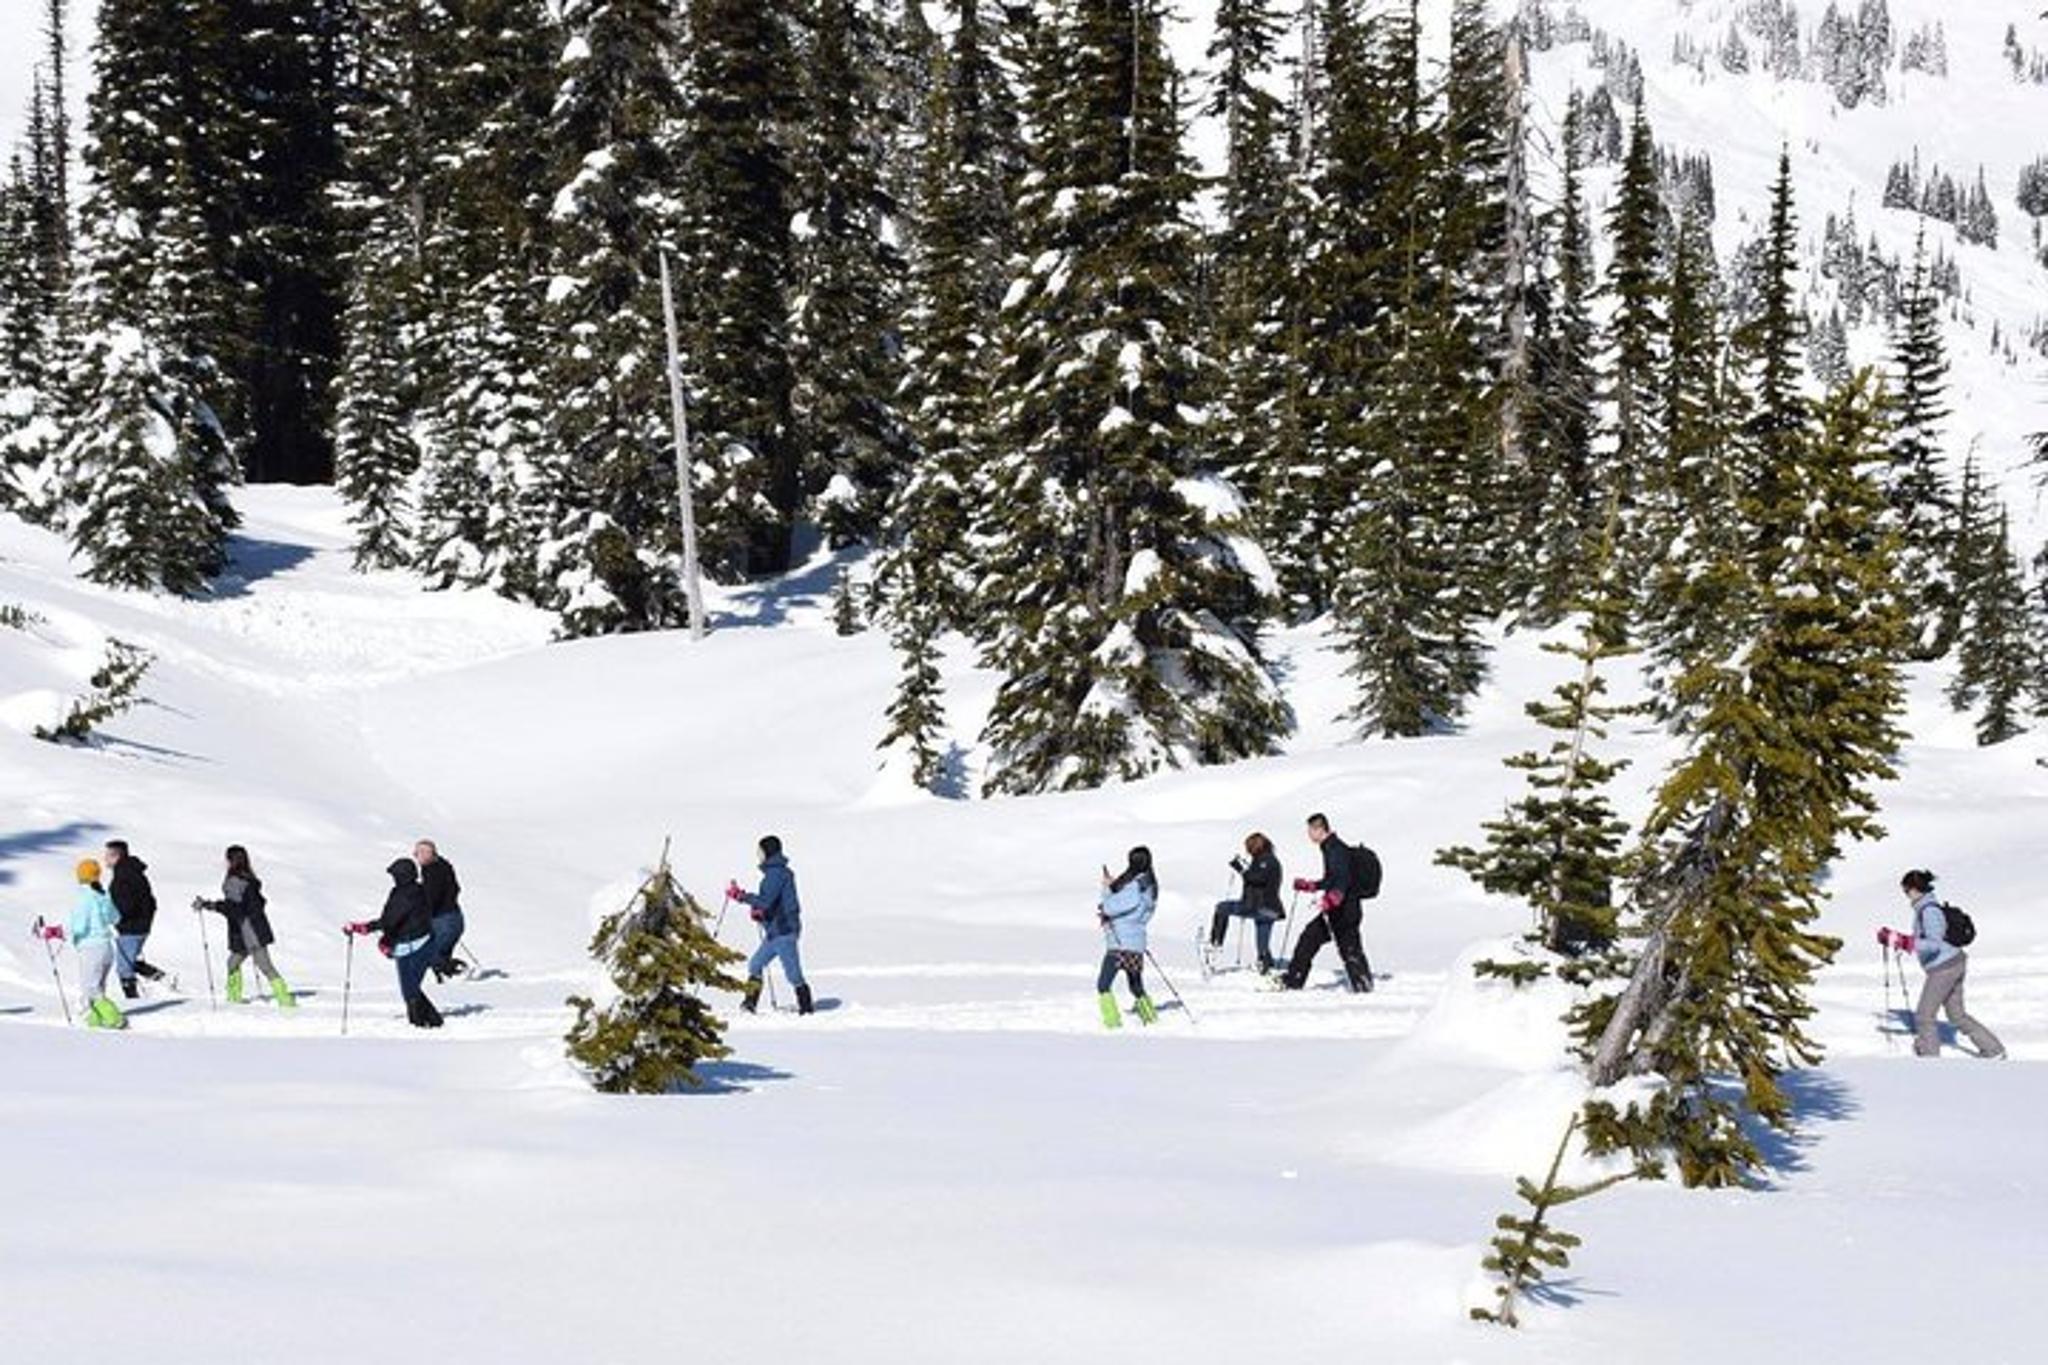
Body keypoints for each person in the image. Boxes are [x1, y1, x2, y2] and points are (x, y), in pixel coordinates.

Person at [1880, 869, 2005, 1060]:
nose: (1906, 895)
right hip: (1954, 963)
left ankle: (1930, 1061)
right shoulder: (1926, 907)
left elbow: (1934, 944)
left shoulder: (1929, 910)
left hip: (1944, 968)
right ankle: (1994, 1050)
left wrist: (1904, 942)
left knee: (1924, 1015)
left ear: (1914, 889)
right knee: (1957, 1015)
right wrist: (1898, 939)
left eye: (1906, 891)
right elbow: (1928, 939)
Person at [1277, 813, 1378, 994]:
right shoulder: (1331, 847)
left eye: (1310, 830)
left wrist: (1334, 897)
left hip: (1342, 910)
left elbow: (1342, 878)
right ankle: (1362, 985)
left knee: (1336, 945)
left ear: (1318, 829)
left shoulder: (1335, 849)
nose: (1309, 835)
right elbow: (1333, 879)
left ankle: (1294, 981)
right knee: (1341, 946)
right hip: (1345, 908)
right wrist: (1312, 885)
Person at [194, 845, 297, 1010]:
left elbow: (234, 908)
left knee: (265, 966)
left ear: (231, 860)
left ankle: (285, 1000)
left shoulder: (236, 881)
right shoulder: (249, 880)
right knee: (232, 962)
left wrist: (210, 905)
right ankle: (234, 997)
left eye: (227, 859)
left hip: (250, 932)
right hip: (248, 930)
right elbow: (258, 903)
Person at [345, 858, 443, 1029]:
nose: (393, 878)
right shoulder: (420, 890)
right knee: (412, 987)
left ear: (401, 876)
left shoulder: (402, 895)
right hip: (426, 941)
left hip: (409, 946)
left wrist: (364, 928)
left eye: (395, 875)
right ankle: (432, 1021)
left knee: (409, 989)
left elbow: (389, 921)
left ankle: (420, 1024)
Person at [36, 859, 127, 1029]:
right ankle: (95, 1021)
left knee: (91, 989)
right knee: (97, 988)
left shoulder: (84, 897)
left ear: (80, 876)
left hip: (91, 949)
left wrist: (52, 932)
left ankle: (114, 1018)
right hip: (107, 948)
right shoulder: (103, 895)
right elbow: (116, 918)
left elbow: (78, 927)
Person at [727, 835, 811, 1016]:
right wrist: (761, 914)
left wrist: (741, 896)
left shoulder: (777, 874)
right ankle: (749, 1004)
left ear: (768, 852)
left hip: (784, 931)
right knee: (755, 965)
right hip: (774, 931)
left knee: (793, 974)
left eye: (760, 851)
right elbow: (773, 904)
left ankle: (806, 1007)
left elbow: (766, 901)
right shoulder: (775, 873)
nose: (759, 855)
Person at [1096, 847, 1159, 1029]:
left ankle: (1112, 1022)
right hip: (1136, 944)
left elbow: (1110, 907)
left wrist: (1107, 889)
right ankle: (1151, 1018)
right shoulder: (1150, 887)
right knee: (1136, 987)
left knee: (1103, 985)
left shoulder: (1134, 887)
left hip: (1119, 944)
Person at [1208, 832, 1285, 973]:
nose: (1247, 851)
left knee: (1222, 908)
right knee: (1262, 941)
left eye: (1249, 847)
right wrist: (1245, 868)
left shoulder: (1266, 860)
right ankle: (1265, 962)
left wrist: (1241, 869)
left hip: (1257, 907)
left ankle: (1215, 943)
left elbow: (1257, 878)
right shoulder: (1268, 859)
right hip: (1271, 909)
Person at [105, 839, 172, 999]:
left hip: (131, 927)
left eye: (107, 855)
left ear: (116, 856)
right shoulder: (133, 871)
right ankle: (162, 979)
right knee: (130, 962)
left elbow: (126, 905)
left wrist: (115, 918)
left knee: (124, 968)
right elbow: (150, 901)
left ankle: (134, 1002)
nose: (105, 859)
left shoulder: (123, 875)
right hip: (140, 925)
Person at [416, 839, 465, 981]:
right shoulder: (443, 865)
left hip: (443, 920)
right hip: (454, 918)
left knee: (429, 955)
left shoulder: (431, 870)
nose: (415, 856)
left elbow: (432, 897)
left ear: (427, 854)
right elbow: (455, 888)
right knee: (440, 957)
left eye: (418, 853)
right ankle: (447, 981)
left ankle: (459, 972)